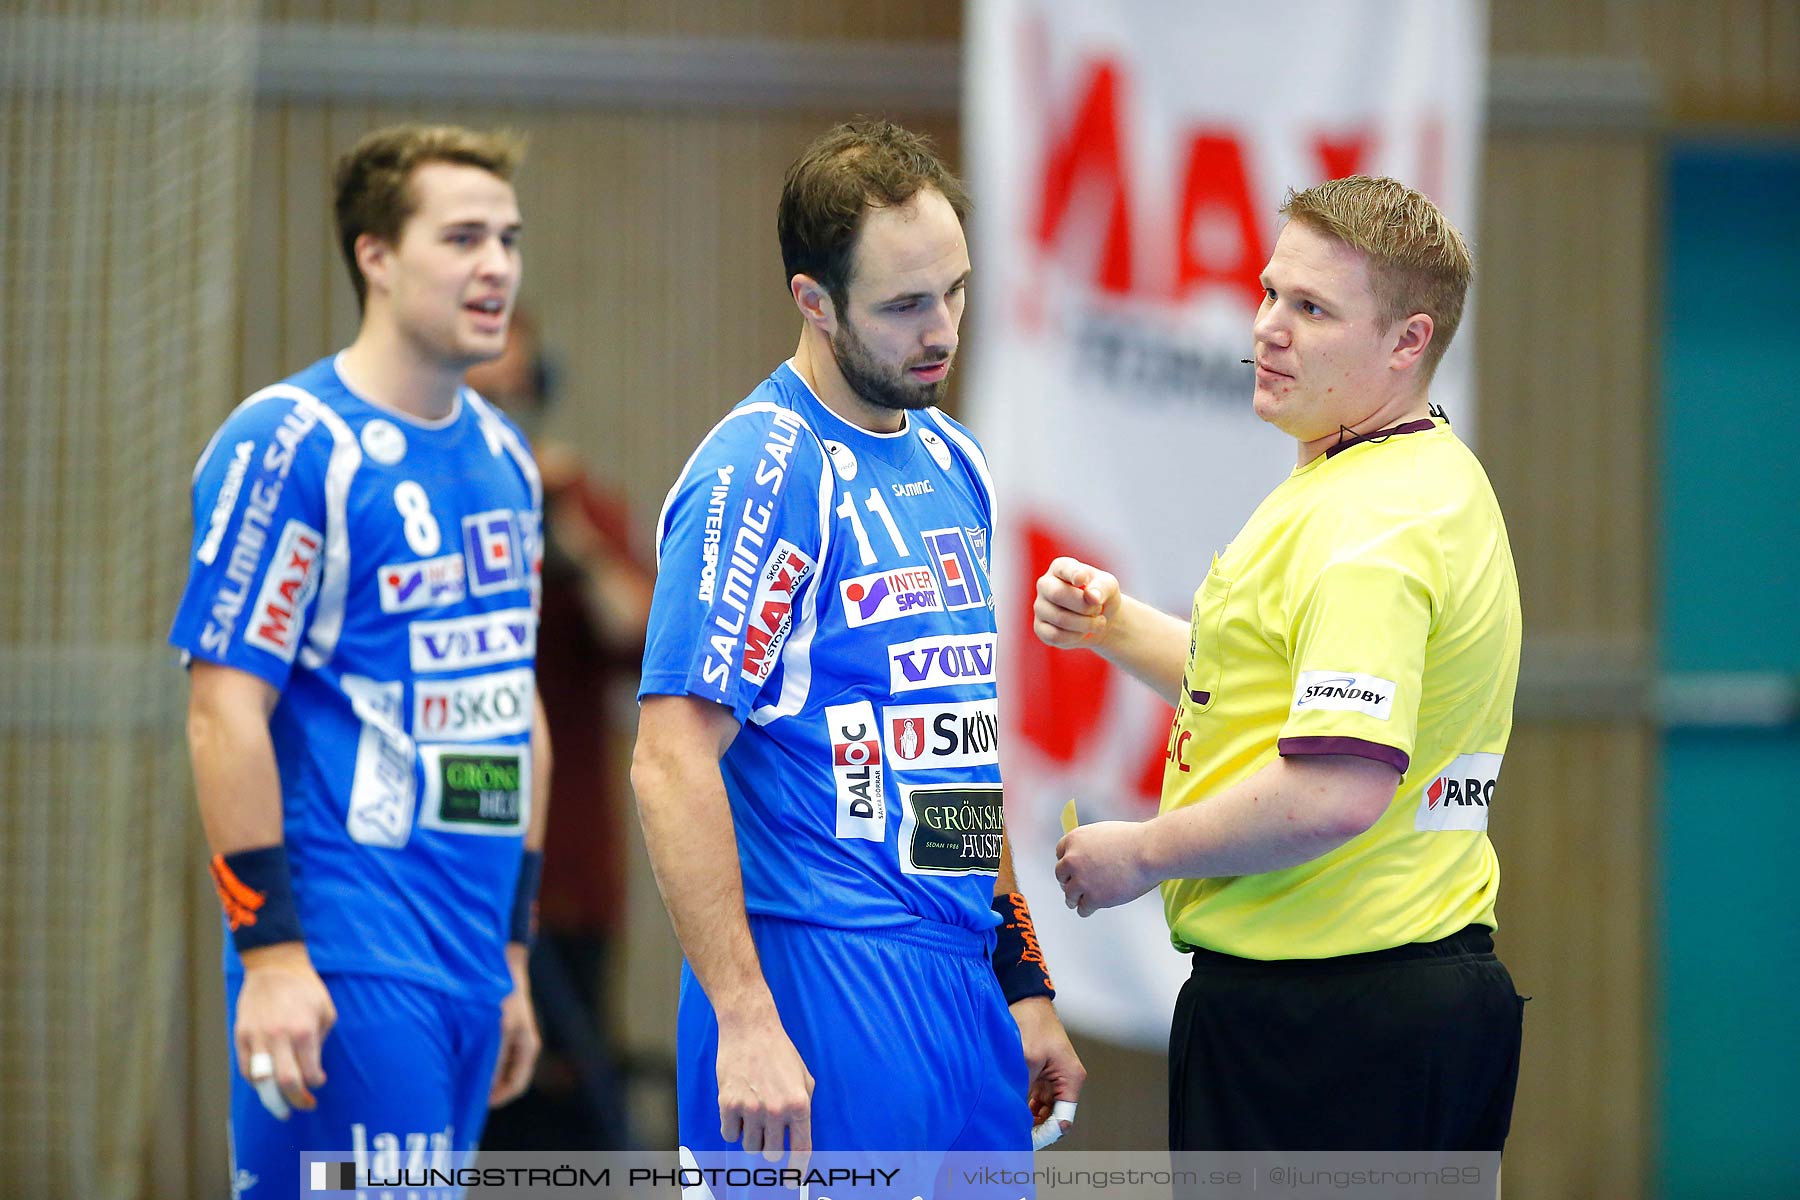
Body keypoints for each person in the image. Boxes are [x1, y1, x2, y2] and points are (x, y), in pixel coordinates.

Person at [631, 120, 1085, 1178]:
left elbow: (961, 750)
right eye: (904, 306)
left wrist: (1021, 983)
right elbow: (669, 758)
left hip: (957, 989)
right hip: (818, 980)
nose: (942, 332)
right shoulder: (763, 472)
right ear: (814, 301)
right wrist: (745, 1016)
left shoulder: (953, 459)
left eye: (958, 292)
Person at [1037, 176, 1525, 1154]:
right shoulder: (1405, 472)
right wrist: (1119, 625)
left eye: (1312, 309)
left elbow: (1335, 790)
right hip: (1380, 1002)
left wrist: (1140, 855)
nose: (1267, 328)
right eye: (1269, 293)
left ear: (1408, 342)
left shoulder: (1372, 530)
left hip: (1333, 1024)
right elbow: (1285, 706)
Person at [171, 124, 547, 1196]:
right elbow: (221, 712)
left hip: (470, 958)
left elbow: (516, 712)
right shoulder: (292, 442)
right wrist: (274, 955)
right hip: (346, 952)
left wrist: (512, 956)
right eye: (464, 236)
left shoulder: (505, 458)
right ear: (375, 255)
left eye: (510, 239)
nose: (498, 266)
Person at [468, 311, 653, 1150]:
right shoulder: (414, 517)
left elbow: (649, 642)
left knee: (567, 1128)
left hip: (564, 882)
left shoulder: (572, 507)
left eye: (513, 398)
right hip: (441, 881)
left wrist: (564, 534)